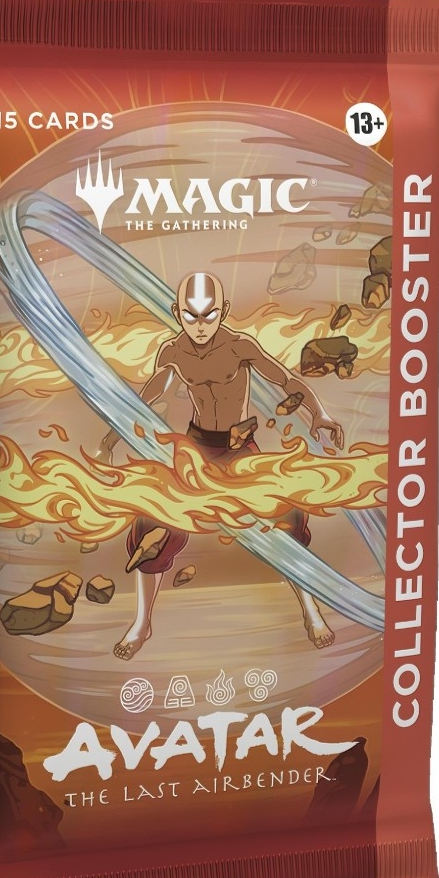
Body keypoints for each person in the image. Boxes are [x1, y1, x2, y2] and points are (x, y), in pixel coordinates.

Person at [96, 271, 344, 660]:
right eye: (190, 316)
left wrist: (319, 412)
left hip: (239, 448)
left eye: (209, 315)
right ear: (177, 312)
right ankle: (142, 623)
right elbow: (146, 398)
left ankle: (311, 611)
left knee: (287, 518)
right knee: (152, 521)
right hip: (196, 448)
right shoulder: (173, 353)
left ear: (223, 311)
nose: (200, 325)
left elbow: (285, 380)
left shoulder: (239, 347)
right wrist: (109, 440)